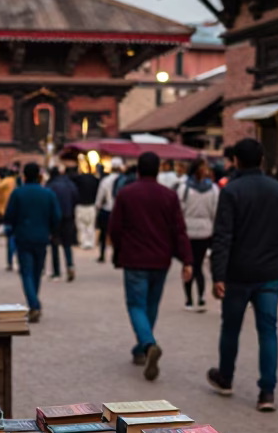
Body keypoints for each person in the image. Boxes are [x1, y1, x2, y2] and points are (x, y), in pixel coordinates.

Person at [207, 137, 278, 412]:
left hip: (237, 273)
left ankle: (226, 378)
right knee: (268, 331)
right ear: (262, 160)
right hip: (269, 273)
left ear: (236, 161)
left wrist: (218, 275)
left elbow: (223, 236)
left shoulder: (232, 191)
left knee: (231, 328)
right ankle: (267, 392)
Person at [108, 151, 193, 381]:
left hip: (135, 258)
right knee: (151, 305)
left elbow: (115, 227)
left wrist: (118, 248)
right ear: (158, 170)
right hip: (160, 258)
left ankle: (147, 344)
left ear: (138, 170)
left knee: (136, 305)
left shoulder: (126, 194)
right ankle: (141, 348)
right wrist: (187, 259)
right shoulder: (169, 195)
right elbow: (179, 230)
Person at [3, 163, 60, 323]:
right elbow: (56, 216)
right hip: (42, 237)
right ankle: (34, 301)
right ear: (39, 176)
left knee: (26, 272)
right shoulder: (48, 194)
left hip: (23, 237)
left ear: (24, 176)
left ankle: (33, 303)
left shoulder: (18, 193)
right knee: (37, 272)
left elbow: (9, 216)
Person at [179, 157, 219, 311]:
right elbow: (215, 212)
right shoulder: (213, 189)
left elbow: (179, 211)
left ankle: (189, 299)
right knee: (199, 265)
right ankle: (201, 297)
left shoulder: (185, 188)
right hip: (205, 230)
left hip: (188, 231)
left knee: (188, 265)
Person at [47, 166, 78, 282]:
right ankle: (70, 265)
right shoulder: (69, 184)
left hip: (55, 218)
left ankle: (57, 272)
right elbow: (76, 197)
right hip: (68, 216)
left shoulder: (51, 185)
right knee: (67, 244)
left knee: (54, 245)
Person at [94, 157, 122, 263]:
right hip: (119, 210)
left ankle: (102, 254)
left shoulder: (106, 180)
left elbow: (99, 198)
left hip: (107, 210)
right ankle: (116, 255)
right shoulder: (124, 180)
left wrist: (98, 207)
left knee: (103, 233)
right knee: (118, 233)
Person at [0, 165, 20, 271]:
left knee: (10, 240)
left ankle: (9, 262)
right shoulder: (18, 183)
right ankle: (19, 261)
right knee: (19, 240)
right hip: (18, 214)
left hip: (6, 214)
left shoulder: (2, 183)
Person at [70, 164, 100, 250]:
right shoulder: (95, 180)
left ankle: (83, 242)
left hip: (80, 206)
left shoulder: (78, 179)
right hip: (91, 206)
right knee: (90, 226)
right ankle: (90, 242)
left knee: (81, 226)